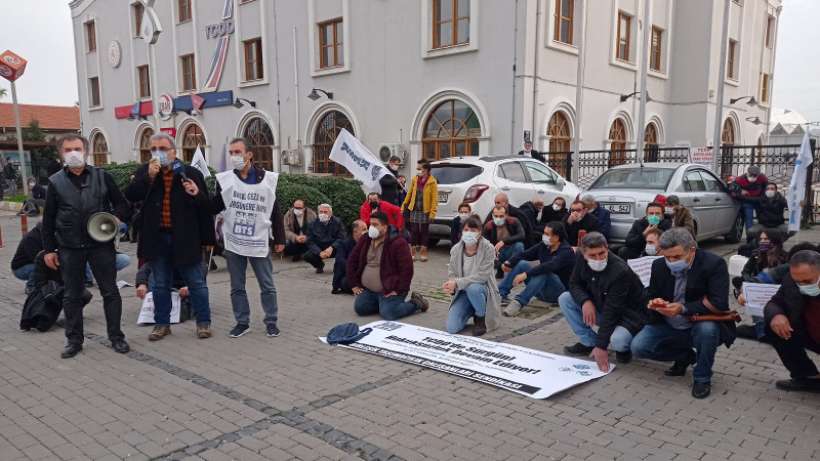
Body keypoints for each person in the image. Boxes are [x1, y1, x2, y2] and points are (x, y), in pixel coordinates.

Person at [42, 134, 131, 358]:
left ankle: (116, 337)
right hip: (69, 247)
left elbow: (122, 204)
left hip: (100, 244)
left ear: (86, 151)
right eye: (68, 149)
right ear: (61, 153)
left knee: (110, 292)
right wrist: (49, 250)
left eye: (78, 148)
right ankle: (74, 340)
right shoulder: (55, 182)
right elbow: (48, 219)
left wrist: (117, 218)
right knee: (72, 295)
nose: (73, 153)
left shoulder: (103, 177)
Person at [125, 132, 215, 342]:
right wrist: (148, 177)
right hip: (157, 238)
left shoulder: (189, 173)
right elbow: (130, 195)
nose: (158, 153)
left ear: (174, 151)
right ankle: (162, 324)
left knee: (196, 282)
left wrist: (208, 239)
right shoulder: (145, 173)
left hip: (185, 238)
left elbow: (204, 207)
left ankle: (203, 322)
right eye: (153, 149)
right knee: (160, 284)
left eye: (163, 149)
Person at [631, 228, 735, 399]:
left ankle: (702, 377)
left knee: (707, 330)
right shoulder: (658, 265)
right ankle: (685, 356)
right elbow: (651, 293)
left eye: (677, 257)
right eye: (667, 257)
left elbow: (719, 303)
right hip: (668, 322)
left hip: (698, 321)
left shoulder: (714, 264)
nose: (671, 261)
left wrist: (682, 308)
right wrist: (653, 303)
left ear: (692, 250)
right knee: (638, 347)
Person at [210, 138, 286, 339]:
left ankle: (271, 321)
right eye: (232, 152)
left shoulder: (267, 179)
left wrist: (280, 238)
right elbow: (215, 206)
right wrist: (196, 195)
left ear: (249, 154)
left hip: (259, 241)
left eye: (238, 152)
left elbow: (275, 211)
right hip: (234, 242)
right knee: (237, 286)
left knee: (267, 285)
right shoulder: (225, 180)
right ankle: (242, 322)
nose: (235, 156)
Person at [558, 232, 646, 370]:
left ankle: (623, 349)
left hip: (628, 315)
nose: (598, 259)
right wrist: (585, 301)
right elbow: (574, 283)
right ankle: (589, 342)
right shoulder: (580, 257)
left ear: (607, 248)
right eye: (592, 255)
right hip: (601, 304)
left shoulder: (620, 271)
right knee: (565, 298)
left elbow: (613, 310)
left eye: (602, 253)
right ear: (583, 253)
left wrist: (601, 346)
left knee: (618, 341)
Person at [347, 212, 430, 320]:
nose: (371, 228)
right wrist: (354, 284)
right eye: (370, 224)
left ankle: (416, 303)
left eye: (375, 225)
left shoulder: (398, 242)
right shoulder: (366, 239)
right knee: (360, 308)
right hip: (369, 290)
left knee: (389, 313)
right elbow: (351, 260)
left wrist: (399, 290)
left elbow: (407, 270)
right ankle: (383, 304)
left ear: (385, 227)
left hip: (390, 289)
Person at [12, 222, 130, 294]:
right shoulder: (31, 238)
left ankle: (91, 279)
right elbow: (39, 260)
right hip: (22, 268)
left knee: (123, 259)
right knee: (42, 266)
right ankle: (31, 286)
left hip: (97, 260)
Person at [764, 250, 820, 393]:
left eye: (807, 281)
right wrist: (776, 315)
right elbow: (774, 303)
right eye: (798, 282)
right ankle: (808, 377)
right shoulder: (791, 280)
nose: (802, 285)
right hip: (810, 333)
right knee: (774, 328)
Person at [499, 221, 575, 317]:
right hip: (540, 290)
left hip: (558, 293)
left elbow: (550, 266)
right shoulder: (544, 245)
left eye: (547, 234)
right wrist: (509, 262)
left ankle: (518, 302)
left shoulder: (566, 251)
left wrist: (525, 274)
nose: (544, 236)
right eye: (544, 233)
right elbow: (525, 254)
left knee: (544, 272)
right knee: (522, 263)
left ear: (556, 237)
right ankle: (501, 294)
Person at [443, 215, 502, 336]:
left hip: (483, 290)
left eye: (473, 230)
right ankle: (472, 308)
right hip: (464, 292)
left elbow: (483, 276)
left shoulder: (488, 248)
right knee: (452, 328)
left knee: (473, 288)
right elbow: (452, 272)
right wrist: (451, 285)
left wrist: (457, 283)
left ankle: (480, 317)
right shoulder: (455, 249)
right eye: (466, 230)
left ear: (480, 232)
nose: (469, 233)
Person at [733, 228, 788, 342]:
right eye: (761, 239)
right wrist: (750, 282)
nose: (762, 241)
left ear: (774, 240)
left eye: (766, 239)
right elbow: (745, 272)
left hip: (774, 291)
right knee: (737, 280)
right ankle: (761, 330)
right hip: (757, 287)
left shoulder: (784, 257)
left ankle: (762, 332)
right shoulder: (756, 254)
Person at [402, 160, 438, 261]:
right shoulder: (415, 179)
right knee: (414, 231)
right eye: (418, 169)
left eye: (420, 169)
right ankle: (412, 253)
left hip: (425, 210)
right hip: (414, 209)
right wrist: (403, 206)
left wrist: (432, 213)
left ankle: (423, 253)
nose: (419, 171)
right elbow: (409, 194)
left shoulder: (432, 181)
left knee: (424, 232)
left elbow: (434, 199)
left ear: (426, 170)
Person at [483, 205, 526, 279]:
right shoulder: (488, 226)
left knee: (519, 245)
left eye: (501, 216)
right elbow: (484, 244)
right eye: (496, 216)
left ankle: (513, 270)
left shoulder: (514, 221)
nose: (498, 218)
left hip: (510, 249)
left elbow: (522, 235)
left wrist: (504, 241)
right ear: (492, 215)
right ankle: (501, 268)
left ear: (506, 215)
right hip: (496, 252)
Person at [304, 203, 346, 273]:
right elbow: (309, 241)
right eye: (321, 212)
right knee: (307, 256)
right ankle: (319, 265)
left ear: (331, 213)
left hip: (333, 247)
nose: (323, 214)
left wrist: (331, 248)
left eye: (325, 212)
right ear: (318, 213)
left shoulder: (337, 222)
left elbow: (342, 237)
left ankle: (338, 266)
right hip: (320, 248)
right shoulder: (312, 224)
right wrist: (319, 252)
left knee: (345, 250)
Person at [333, 219, 368, 294]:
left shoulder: (368, 243)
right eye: (364, 229)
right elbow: (340, 261)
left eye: (367, 229)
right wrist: (356, 269)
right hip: (348, 275)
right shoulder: (343, 244)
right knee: (346, 282)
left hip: (363, 274)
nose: (367, 232)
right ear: (355, 231)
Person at [733, 165, 768, 230]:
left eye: (755, 176)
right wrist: (740, 191)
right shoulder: (740, 179)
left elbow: (766, 188)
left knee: (763, 219)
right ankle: (750, 238)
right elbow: (733, 191)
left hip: (759, 201)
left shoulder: (762, 178)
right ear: (747, 173)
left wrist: (762, 198)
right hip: (747, 202)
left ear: (758, 175)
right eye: (751, 175)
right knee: (749, 220)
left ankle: (762, 236)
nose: (752, 177)